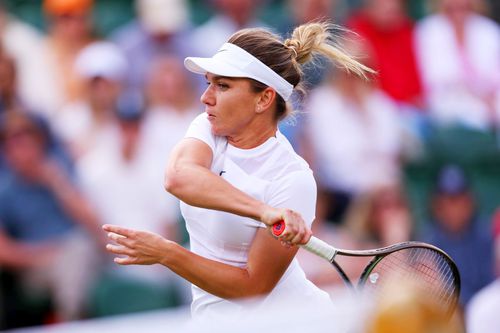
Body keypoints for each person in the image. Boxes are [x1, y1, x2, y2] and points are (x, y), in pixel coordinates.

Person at [103, 21, 373, 320]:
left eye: (223, 85)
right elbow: (179, 176)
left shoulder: (294, 179)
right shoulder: (208, 126)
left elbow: (252, 288)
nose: (206, 97)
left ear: (263, 98)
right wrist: (264, 212)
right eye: (208, 83)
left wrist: (168, 254)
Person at [421, 164, 494, 306]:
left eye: (459, 198)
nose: (454, 207)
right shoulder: (425, 241)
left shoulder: (487, 237)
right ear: (436, 203)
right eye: (448, 200)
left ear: (470, 200)